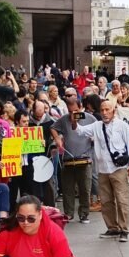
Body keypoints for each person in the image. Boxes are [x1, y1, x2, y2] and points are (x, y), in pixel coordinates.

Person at [71, 100, 129, 243]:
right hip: (102, 169)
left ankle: (124, 229)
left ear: (114, 110)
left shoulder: (122, 126)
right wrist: (74, 121)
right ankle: (112, 227)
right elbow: (79, 131)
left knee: (122, 200)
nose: (105, 112)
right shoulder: (97, 126)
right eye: (102, 110)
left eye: (108, 109)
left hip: (119, 168)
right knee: (106, 201)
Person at [51, 95, 96, 224]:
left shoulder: (90, 118)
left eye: (75, 111)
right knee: (67, 189)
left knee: (84, 188)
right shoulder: (64, 119)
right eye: (70, 111)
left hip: (85, 158)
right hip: (68, 158)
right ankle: (69, 213)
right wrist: (57, 138)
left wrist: (94, 138)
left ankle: (84, 213)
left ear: (81, 107)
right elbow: (53, 128)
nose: (72, 114)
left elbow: (98, 130)